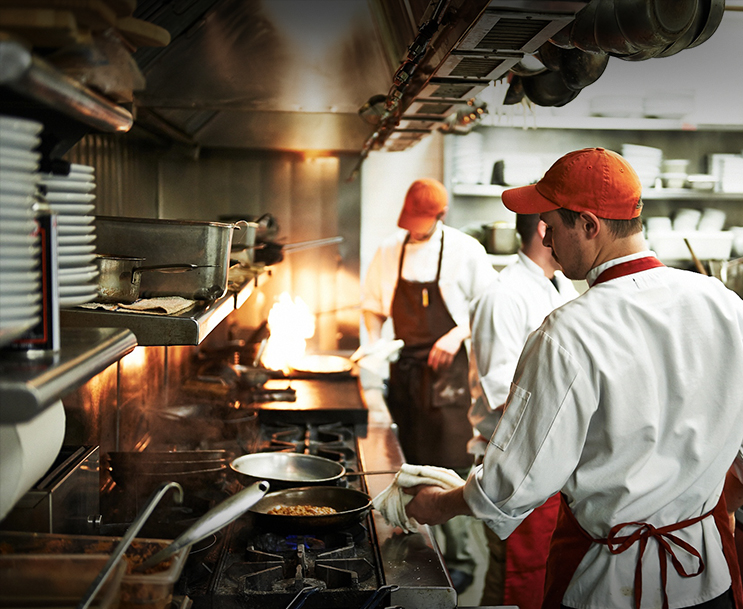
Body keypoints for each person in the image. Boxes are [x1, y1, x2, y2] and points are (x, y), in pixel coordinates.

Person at [403, 148, 743, 609]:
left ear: (588, 224)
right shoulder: (725, 305)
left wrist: (437, 505)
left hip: (609, 586)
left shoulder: (569, 331)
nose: (545, 240)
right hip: (705, 578)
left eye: (550, 226)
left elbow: (513, 481)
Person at [361, 177, 498, 593]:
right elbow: (372, 307)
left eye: (423, 221)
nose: (415, 229)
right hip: (406, 374)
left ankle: (460, 560)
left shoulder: (465, 250)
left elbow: (489, 307)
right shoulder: (390, 249)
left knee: (448, 465)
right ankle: (414, 544)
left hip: (449, 376)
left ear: (441, 215)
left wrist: (456, 335)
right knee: (407, 460)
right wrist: (376, 347)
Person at [468, 213, 579, 609]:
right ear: (545, 231)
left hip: (556, 468)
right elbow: (503, 394)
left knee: (545, 581)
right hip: (515, 464)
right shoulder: (503, 295)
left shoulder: (562, 286)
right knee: (514, 585)